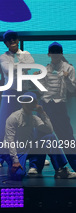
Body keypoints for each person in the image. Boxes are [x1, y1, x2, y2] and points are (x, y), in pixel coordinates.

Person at [3, 92, 76, 180]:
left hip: (29, 149)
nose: (29, 104)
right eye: (26, 101)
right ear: (22, 103)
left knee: (50, 137)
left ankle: (60, 170)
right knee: (18, 175)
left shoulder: (34, 118)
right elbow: (9, 141)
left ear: (35, 103)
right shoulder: (14, 117)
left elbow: (49, 130)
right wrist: (15, 161)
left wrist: (43, 113)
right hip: (15, 152)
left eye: (32, 102)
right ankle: (15, 168)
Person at [30, 42, 76, 174]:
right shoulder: (45, 69)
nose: (55, 55)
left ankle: (75, 166)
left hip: (59, 106)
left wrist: (67, 79)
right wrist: (36, 79)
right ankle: (35, 166)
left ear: (61, 54)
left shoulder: (69, 68)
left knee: (67, 137)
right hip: (45, 105)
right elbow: (42, 90)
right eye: (53, 53)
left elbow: (72, 89)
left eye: (58, 52)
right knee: (40, 135)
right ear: (49, 54)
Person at [0, 30, 35, 168]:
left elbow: (32, 64)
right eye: (9, 39)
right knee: (4, 124)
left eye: (14, 38)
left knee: (29, 124)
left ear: (17, 39)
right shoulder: (3, 56)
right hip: (10, 91)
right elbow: (7, 69)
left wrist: (16, 66)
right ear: (5, 43)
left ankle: (31, 157)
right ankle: (0, 156)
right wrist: (22, 66)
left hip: (24, 91)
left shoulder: (26, 54)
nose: (12, 41)